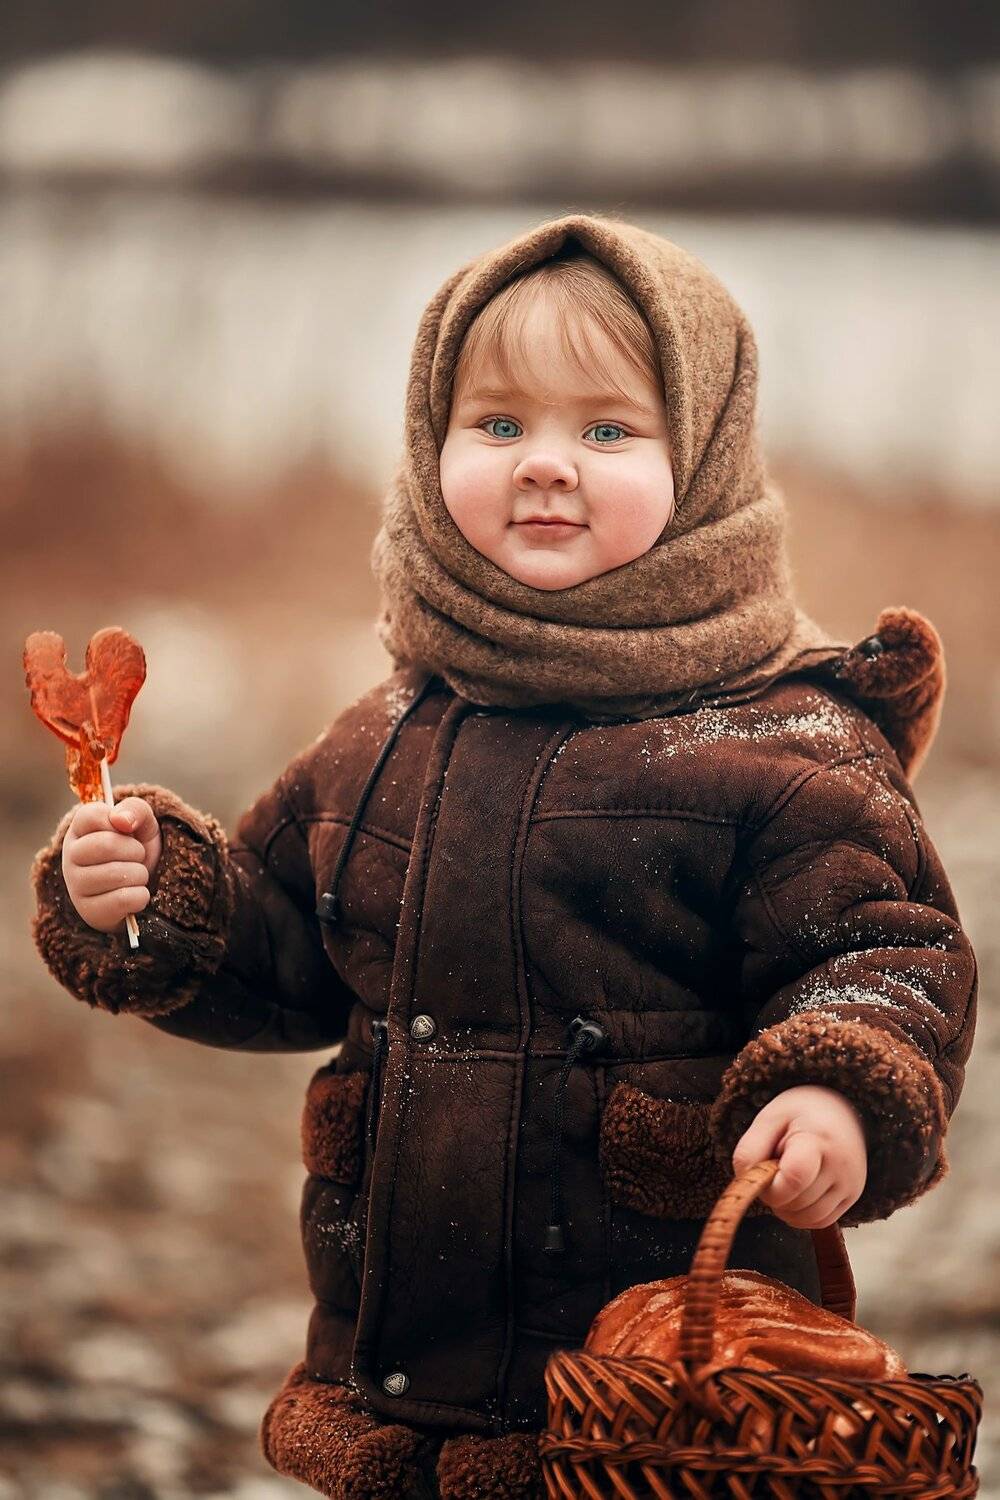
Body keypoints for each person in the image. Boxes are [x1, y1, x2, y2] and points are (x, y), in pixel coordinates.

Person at [31, 213, 978, 1500]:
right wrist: (151, 906)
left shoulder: (785, 744)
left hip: (658, 1390)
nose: (544, 465)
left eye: (605, 430)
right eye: (497, 425)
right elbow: (290, 954)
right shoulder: (383, 732)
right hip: (403, 1359)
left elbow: (886, 950)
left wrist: (837, 1091)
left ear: (701, 460)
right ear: (432, 448)